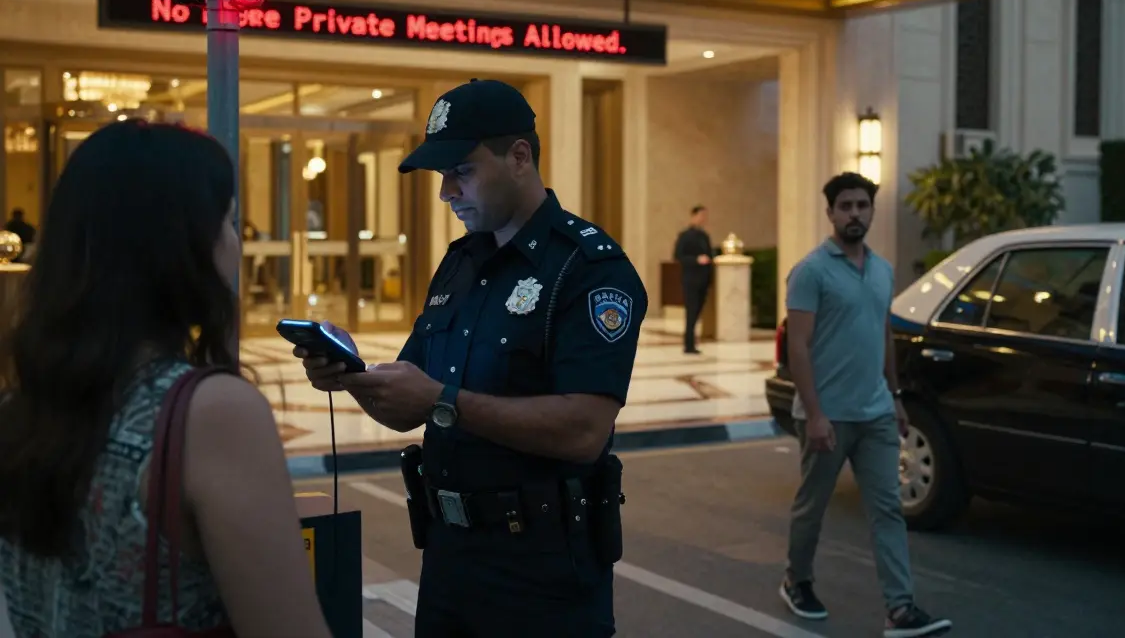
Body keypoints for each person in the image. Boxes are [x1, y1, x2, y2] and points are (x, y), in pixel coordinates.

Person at [297, 79, 648, 638]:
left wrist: (443, 402)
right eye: (442, 177)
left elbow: (584, 429)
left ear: (519, 157)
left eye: (461, 171)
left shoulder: (587, 269)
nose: (447, 193)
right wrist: (354, 375)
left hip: (544, 576)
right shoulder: (461, 265)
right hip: (448, 562)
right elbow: (407, 407)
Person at [0, 120, 331, 638]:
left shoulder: (20, 409)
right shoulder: (213, 413)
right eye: (229, 221)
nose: (236, 244)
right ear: (184, 246)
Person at [778, 172, 951, 638]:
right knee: (812, 508)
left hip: (875, 411)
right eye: (846, 206)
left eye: (863, 206)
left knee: (888, 510)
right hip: (826, 415)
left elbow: (883, 336)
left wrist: (894, 396)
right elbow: (799, 347)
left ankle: (900, 608)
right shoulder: (811, 271)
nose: (855, 213)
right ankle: (797, 579)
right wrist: (814, 414)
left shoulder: (882, 269)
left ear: (872, 212)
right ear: (831, 212)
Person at [673, 205, 713, 353]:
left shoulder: (705, 236)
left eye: (705, 216)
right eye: (701, 215)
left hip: (703, 279)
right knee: (691, 311)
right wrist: (696, 259)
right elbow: (678, 256)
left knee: (698, 312)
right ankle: (688, 344)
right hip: (690, 280)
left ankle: (692, 342)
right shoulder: (685, 236)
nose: (703, 219)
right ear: (694, 216)